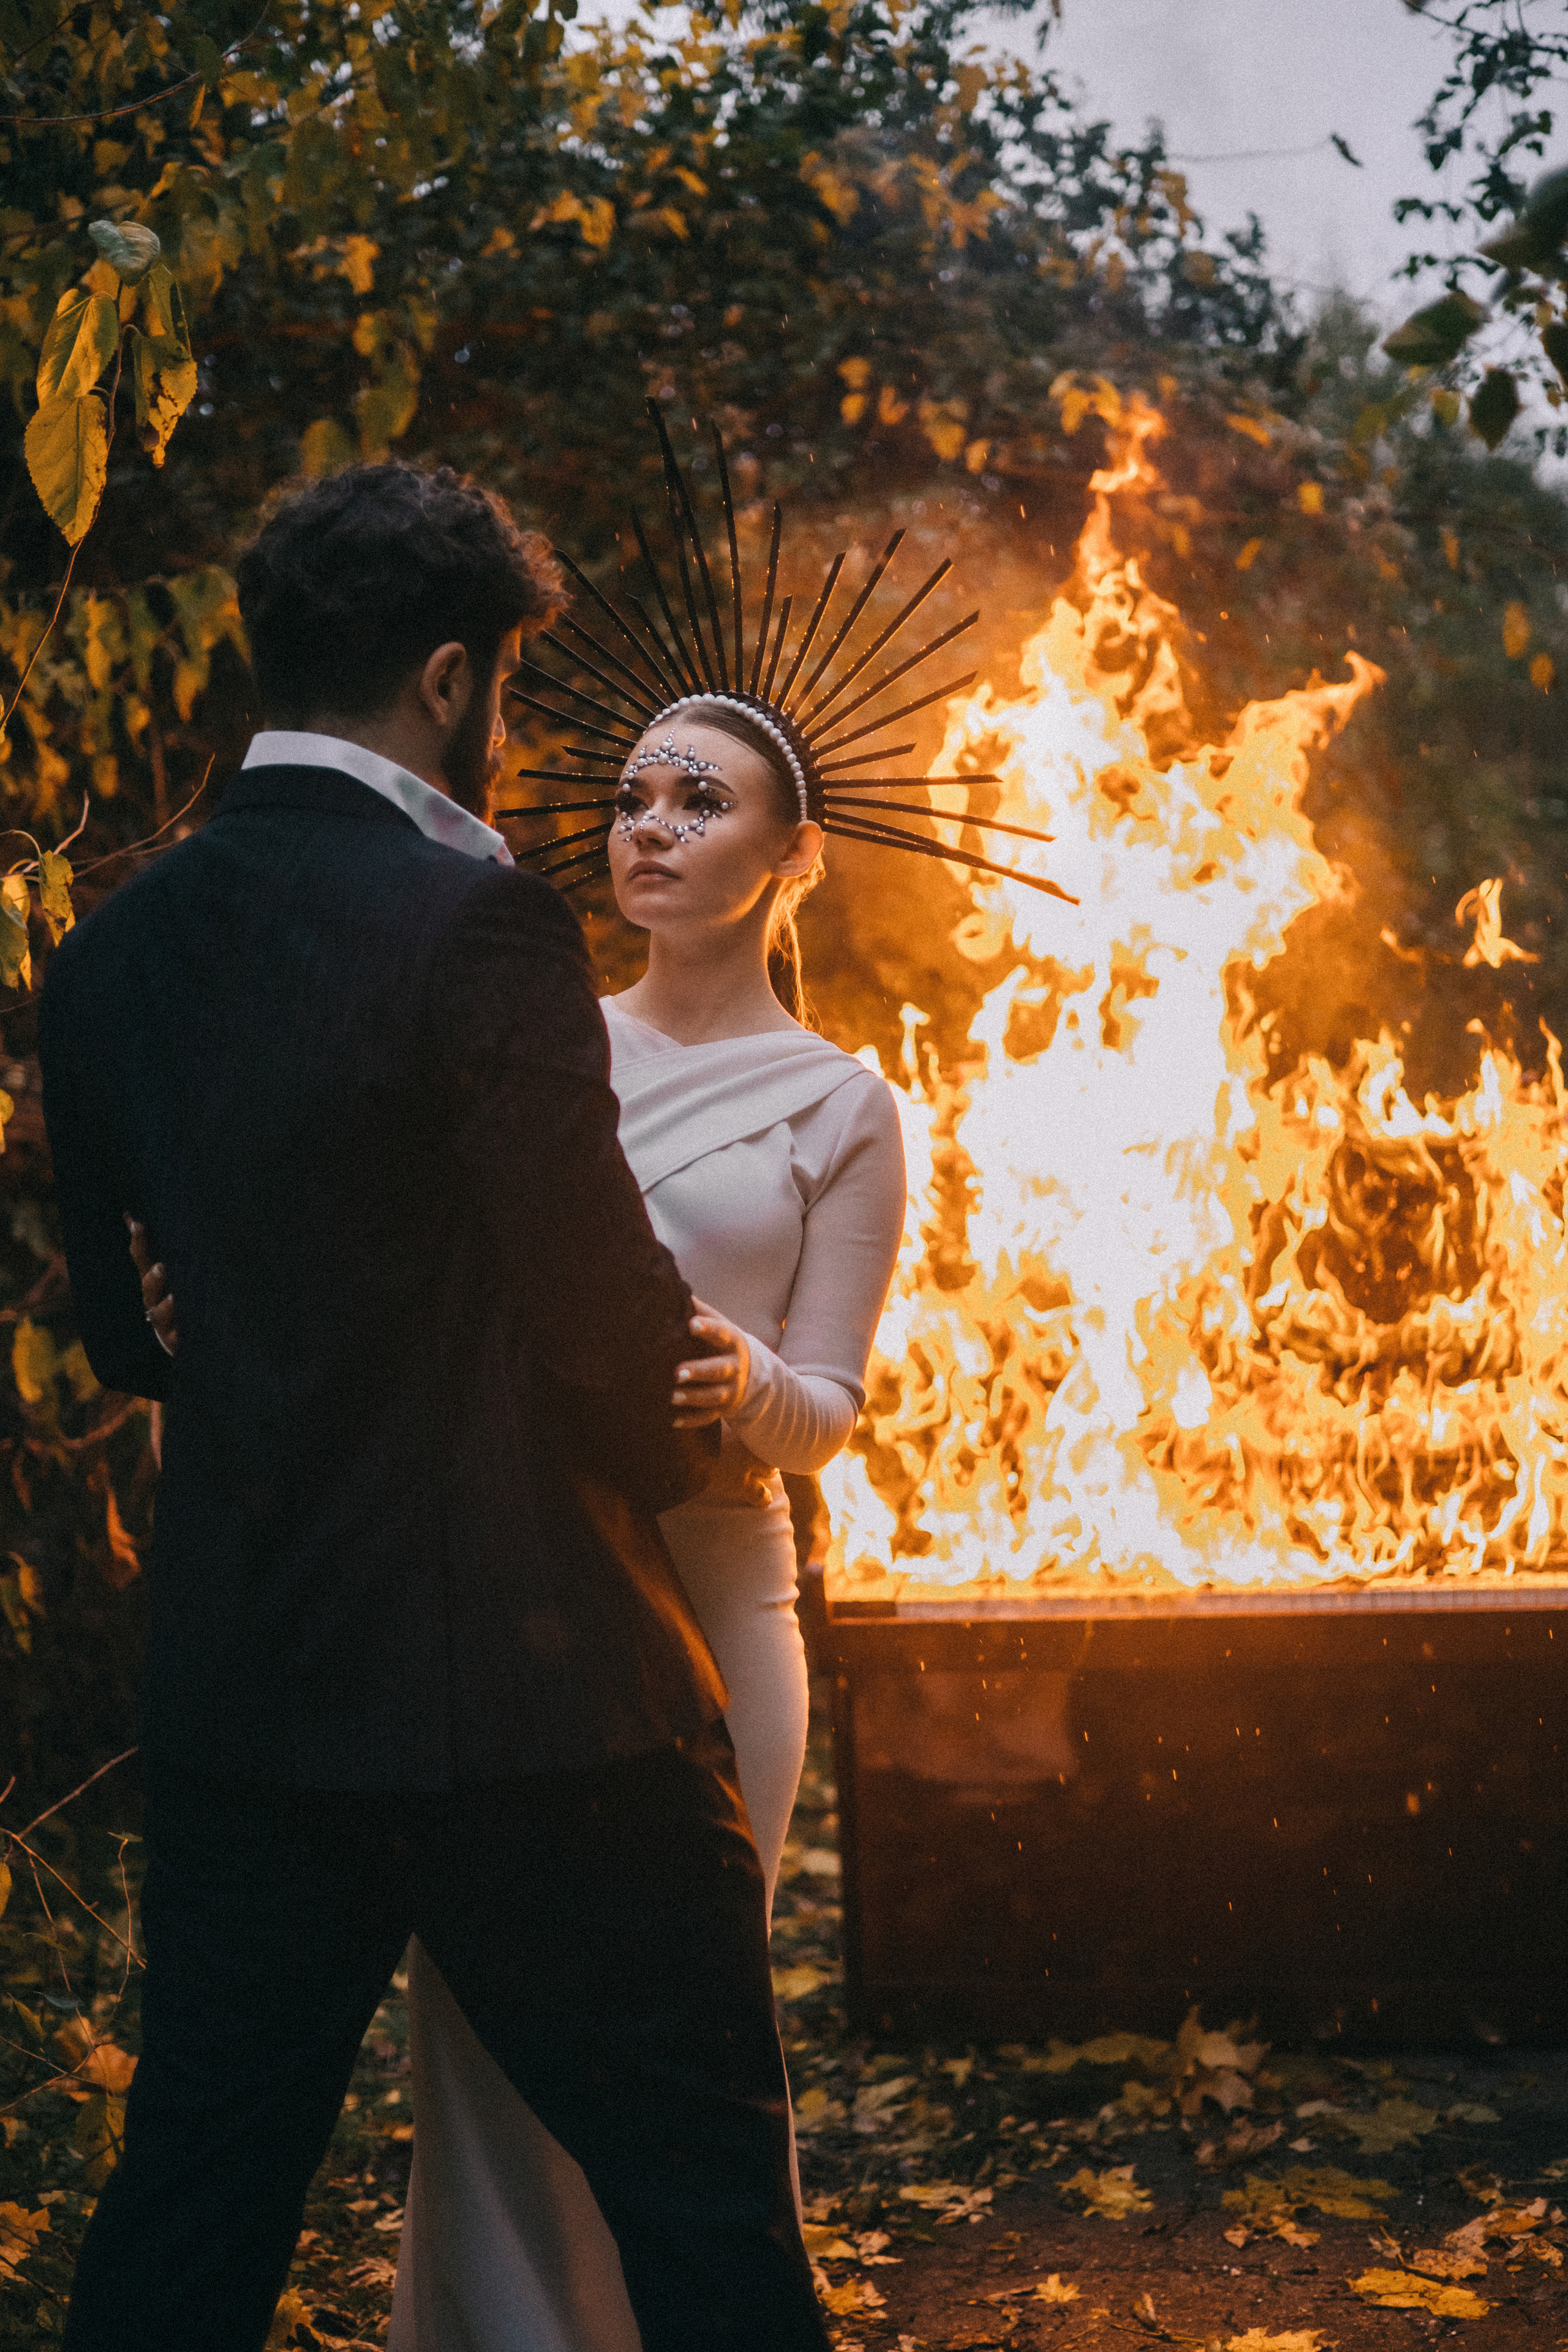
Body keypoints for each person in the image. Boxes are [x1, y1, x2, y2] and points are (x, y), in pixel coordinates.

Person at [40, 459, 829, 2352]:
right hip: (539, 1710)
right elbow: (603, 1322)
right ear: (456, 680)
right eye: (513, 701)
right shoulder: (478, 929)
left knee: (196, 2208)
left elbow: (134, 1338)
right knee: (709, 2204)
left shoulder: (104, 962)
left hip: (250, 1703)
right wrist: (697, 1445)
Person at [388, 700, 910, 2352]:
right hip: (506, 1577)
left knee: (674, 2056)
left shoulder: (845, 1107)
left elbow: (829, 1413)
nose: (653, 825)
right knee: (482, 2030)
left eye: (704, 798)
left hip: (715, 1592)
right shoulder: (541, 1041)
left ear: (793, 855)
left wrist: (736, 1374)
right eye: (633, 798)